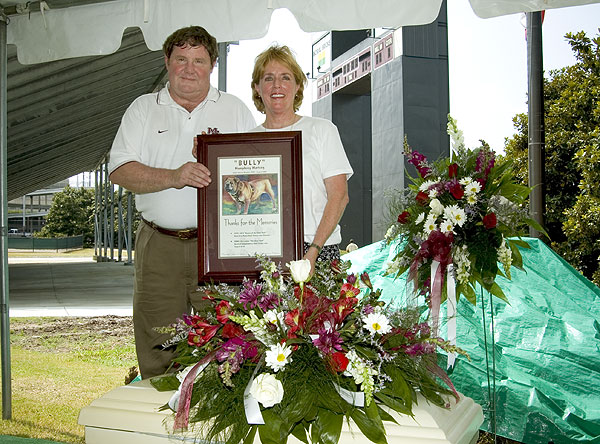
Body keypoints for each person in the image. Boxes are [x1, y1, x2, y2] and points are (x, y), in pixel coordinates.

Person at [108, 26, 256, 379]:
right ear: (167, 62)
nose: (189, 69)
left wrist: (219, 162)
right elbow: (120, 171)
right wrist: (176, 176)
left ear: (212, 65)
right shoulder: (143, 109)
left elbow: (255, 170)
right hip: (159, 245)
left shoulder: (234, 109)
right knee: (160, 342)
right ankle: (159, 425)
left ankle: (218, 424)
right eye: (181, 60)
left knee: (228, 338)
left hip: (221, 247)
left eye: (199, 60)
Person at [250, 45, 353, 272]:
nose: (277, 85)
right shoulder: (246, 141)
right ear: (257, 88)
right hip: (263, 249)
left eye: (285, 77)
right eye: (268, 78)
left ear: (297, 86)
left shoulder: (322, 130)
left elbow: (339, 196)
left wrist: (313, 252)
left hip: (318, 249)